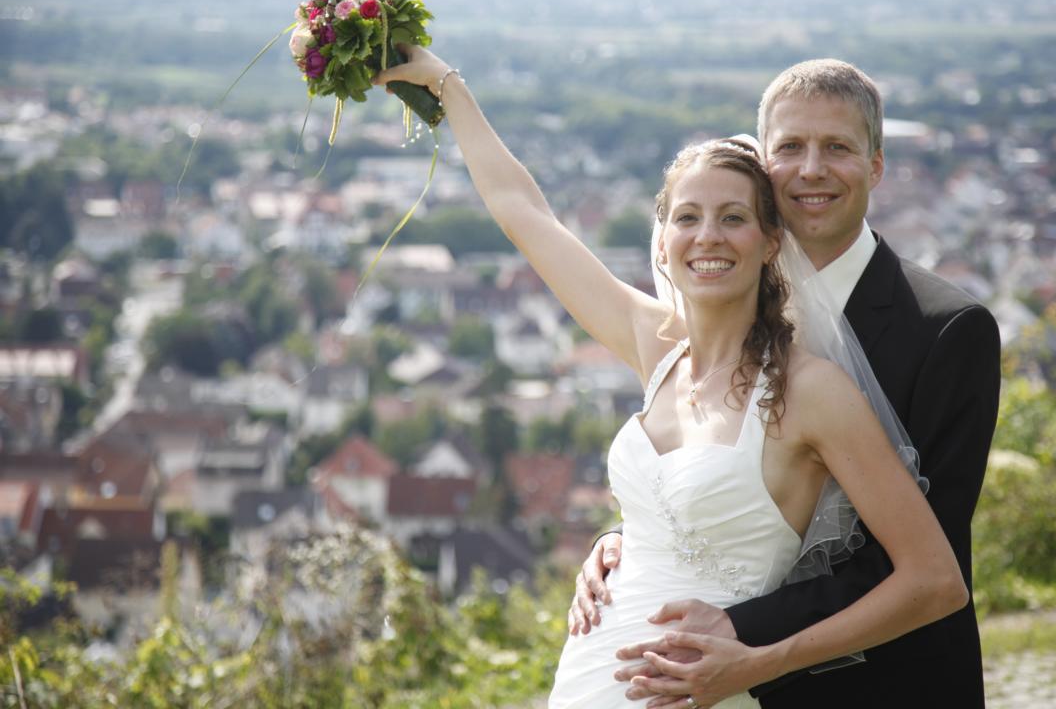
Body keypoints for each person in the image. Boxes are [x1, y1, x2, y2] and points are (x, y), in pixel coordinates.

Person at [374, 46, 970, 709]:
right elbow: (524, 213)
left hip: (705, 691)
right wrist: (444, 84)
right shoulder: (651, 343)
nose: (707, 237)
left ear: (772, 242)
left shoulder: (811, 390)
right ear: (662, 240)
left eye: (734, 217)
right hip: (587, 679)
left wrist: (756, 663)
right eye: (687, 217)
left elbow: (936, 580)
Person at [571, 59, 1002, 707]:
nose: (810, 170)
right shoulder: (721, 311)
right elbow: (717, 471)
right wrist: (632, 545)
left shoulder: (948, 329)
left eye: (838, 148)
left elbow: (908, 558)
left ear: (876, 165)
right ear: (761, 163)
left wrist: (740, 633)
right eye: (790, 148)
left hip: (889, 684)